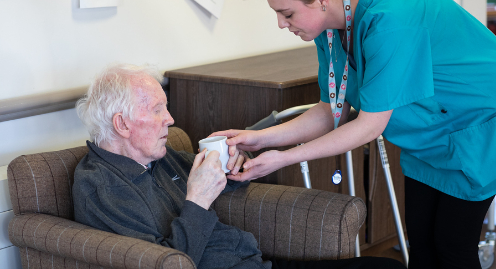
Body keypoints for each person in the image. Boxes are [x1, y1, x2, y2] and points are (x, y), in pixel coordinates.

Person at [210, 0, 496, 269]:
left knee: (452, 248)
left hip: (477, 116)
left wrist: (281, 159)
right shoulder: (330, 26)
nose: (282, 25)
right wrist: (258, 139)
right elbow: (333, 109)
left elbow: (369, 126)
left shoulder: (389, 19)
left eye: (287, 14)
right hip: (431, 127)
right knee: (421, 246)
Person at [73, 64, 405, 269]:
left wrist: (235, 168)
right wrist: (198, 200)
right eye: (158, 110)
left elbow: (224, 179)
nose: (170, 120)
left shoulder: (156, 156)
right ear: (122, 124)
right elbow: (171, 262)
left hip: (253, 261)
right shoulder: (103, 188)